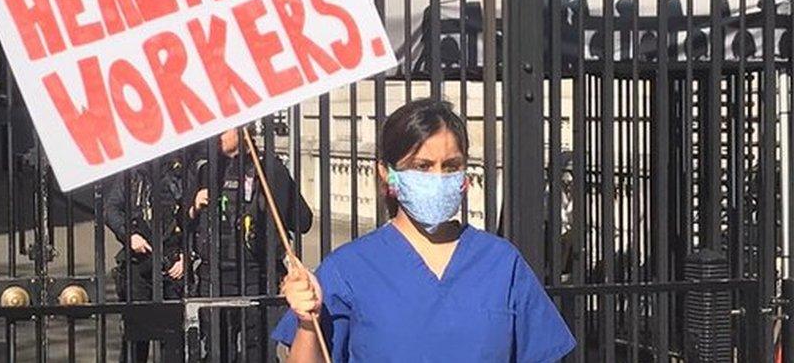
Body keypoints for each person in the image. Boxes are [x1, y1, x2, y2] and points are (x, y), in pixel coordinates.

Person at [272, 98, 576, 362]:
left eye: (451, 165)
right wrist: (306, 322)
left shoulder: (500, 263)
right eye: (422, 166)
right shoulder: (348, 269)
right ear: (386, 174)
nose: (438, 177)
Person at [187, 126, 313, 361]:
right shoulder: (205, 171)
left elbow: (303, 221)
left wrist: (275, 190)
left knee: (257, 350)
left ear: (244, 130)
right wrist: (194, 207)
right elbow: (182, 224)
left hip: (257, 275)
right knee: (217, 350)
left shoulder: (268, 169)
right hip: (213, 276)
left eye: (224, 129)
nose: (218, 135)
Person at [105, 151, 193, 363]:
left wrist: (186, 256)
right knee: (136, 338)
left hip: (172, 264)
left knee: (173, 341)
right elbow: (111, 209)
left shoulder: (182, 173)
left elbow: (194, 219)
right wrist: (129, 235)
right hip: (138, 265)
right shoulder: (133, 172)